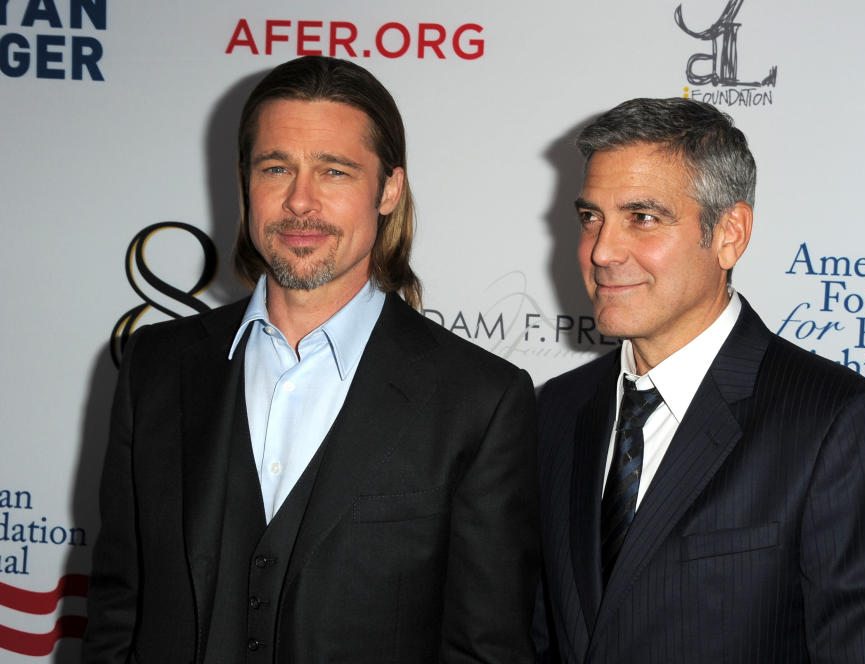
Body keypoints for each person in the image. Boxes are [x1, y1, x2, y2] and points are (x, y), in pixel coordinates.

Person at [83, 56, 539, 663]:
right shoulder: (155, 368)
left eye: (334, 171)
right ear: (245, 182)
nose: (301, 201)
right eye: (277, 168)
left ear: (389, 191)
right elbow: (119, 610)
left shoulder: (481, 400)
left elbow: (487, 649)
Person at [535, 97, 865, 662]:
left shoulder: (840, 424)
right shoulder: (558, 410)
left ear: (729, 234)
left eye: (643, 217)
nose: (603, 250)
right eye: (591, 218)